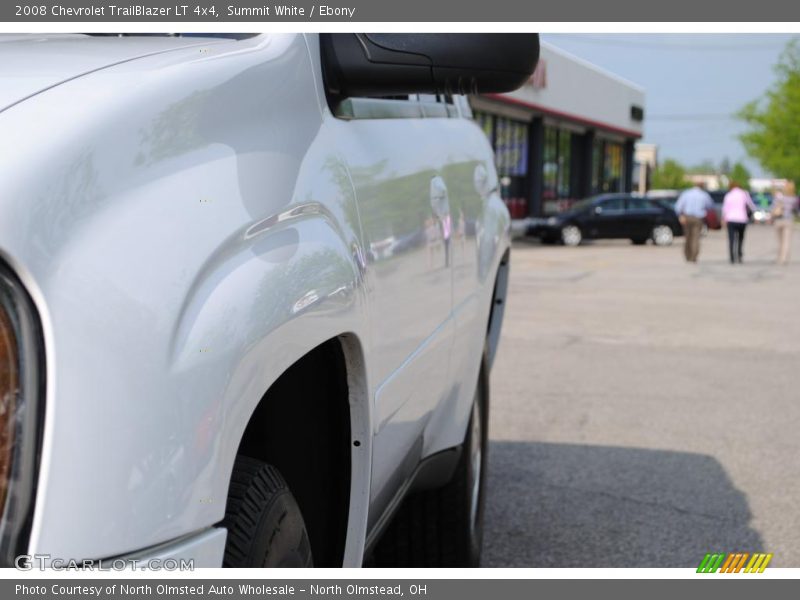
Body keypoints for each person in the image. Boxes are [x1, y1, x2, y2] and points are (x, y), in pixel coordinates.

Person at [674, 182, 714, 263]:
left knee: (687, 237)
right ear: (702, 186)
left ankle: (688, 255)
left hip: (687, 217)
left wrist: (680, 216)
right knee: (696, 238)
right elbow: (710, 206)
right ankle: (693, 257)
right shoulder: (704, 195)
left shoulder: (686, 193)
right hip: (698, 218)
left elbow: (678, 206)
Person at [721, 182, 756, 264]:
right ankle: (739, 255)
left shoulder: (729, 195)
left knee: (731, 239)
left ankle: (732, 258)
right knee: (740, 238)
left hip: (731, 219)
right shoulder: (744, 194)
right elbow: (752, 206)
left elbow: (725, 208)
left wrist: (723, 219)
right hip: (742, 219)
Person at [772, 181, 799, 265]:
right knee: (786, 241)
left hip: (779, 220)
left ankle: (779, 257)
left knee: (780, 241)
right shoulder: (794, 199)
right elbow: (796, 210)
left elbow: (773, 207)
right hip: (789, 220)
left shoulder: (779, 198)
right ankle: (784, 258)